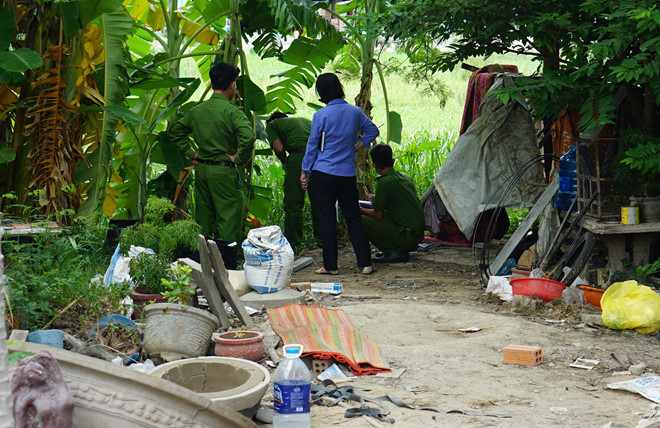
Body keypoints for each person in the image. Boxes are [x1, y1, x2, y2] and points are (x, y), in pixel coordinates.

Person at [170, 62, 255, 269]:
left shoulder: (198, 110)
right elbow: (249, 135)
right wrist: (239, 156)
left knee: (204, 218)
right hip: (223, 171)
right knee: (229, 218)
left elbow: (175, 132)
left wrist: (192, 153)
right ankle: (226, 267)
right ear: (232, 85)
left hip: (203, 170)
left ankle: (201, 264)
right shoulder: (231, 111)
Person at [301, 73, 379, 275]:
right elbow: (372, 130)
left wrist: (305, 171)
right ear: (339, 88)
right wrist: (359, 145)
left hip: (323, 172)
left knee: (327, 218)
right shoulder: (355, 112)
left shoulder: (321, 115)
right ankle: (365, 263)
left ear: (321, 92)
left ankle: (331, 266)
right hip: (347, 174)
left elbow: (312, 146)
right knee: (353, 216)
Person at [360, 144, 425, 263]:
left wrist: (360, 210)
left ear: (374, 165)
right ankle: (395, 249)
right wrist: (379, 198)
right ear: (393, 161)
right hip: (417, 235)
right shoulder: (405, 177)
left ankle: (392, 251)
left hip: (407, 237)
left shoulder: (385, 182)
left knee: (359, 219)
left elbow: (378, 214)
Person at [266, 112, 320, 252]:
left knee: (293, 204)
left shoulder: (272, 125)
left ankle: (294, 242)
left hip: (298, 158)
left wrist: (285, 161)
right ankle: (323, 240)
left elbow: (279, 148)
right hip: (319, 158)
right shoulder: (305, 120)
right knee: (320, 201)